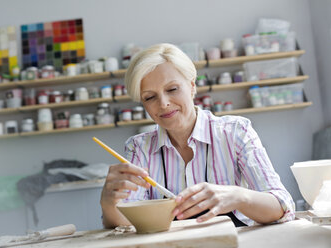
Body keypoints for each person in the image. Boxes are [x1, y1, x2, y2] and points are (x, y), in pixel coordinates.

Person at [100, 43, 295, 228]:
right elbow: (125, 223)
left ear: (192, 86)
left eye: (172, 89)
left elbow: (282, 206)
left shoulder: (236, 132)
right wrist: (109, 206)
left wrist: (238, 196)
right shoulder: (138, 148)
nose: (163, 103)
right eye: (150, 97)